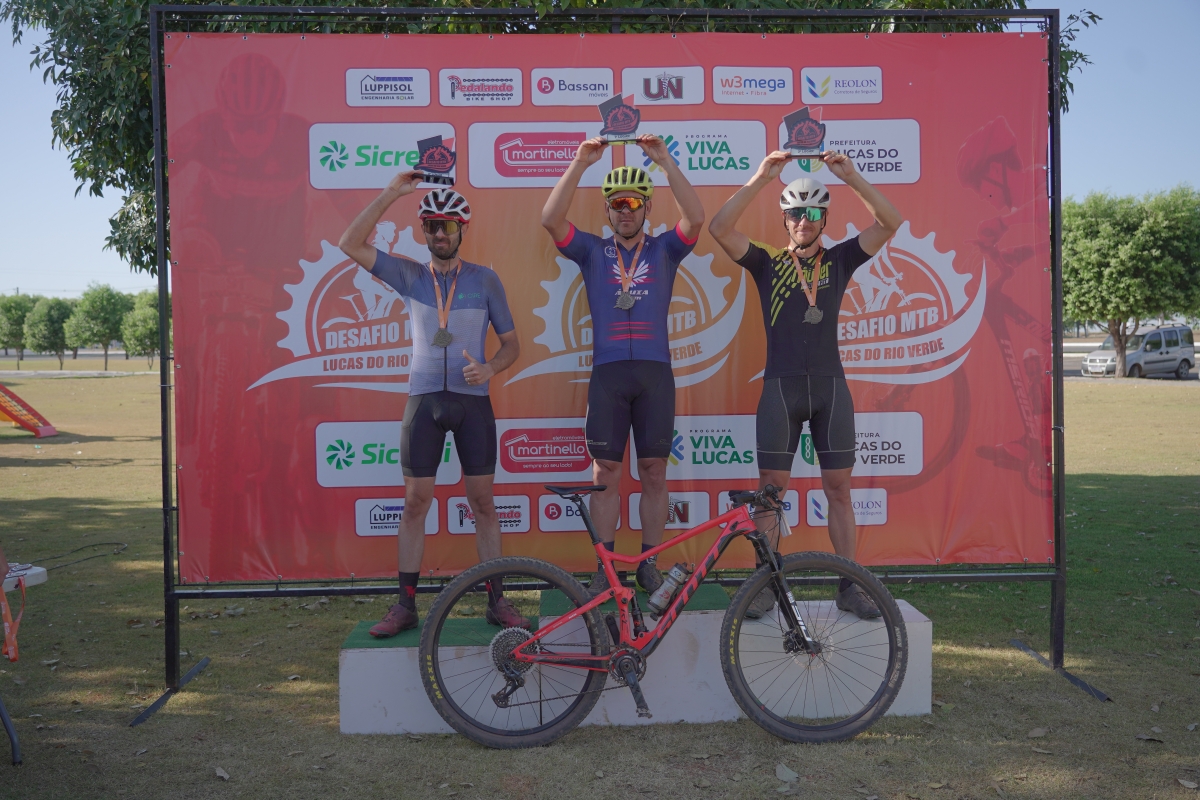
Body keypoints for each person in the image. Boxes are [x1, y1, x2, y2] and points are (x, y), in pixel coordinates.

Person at [708, 151, 902, 619]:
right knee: (769, 492)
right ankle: (767, 586)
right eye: (795, 212)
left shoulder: (840, 260)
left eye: (813, 212)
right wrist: (761, 177)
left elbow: (890, 222)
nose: (803, 220)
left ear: (824, 218)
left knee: (839, 490)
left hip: (831, 390)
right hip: (782, 388)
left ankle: (849, 586)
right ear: (784, 218)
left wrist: (851, 176)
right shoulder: (767, 262)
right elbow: (719, 228)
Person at [339, 173, 527, 636]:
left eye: (447, 226)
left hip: (472, 404)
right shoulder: (410, 276)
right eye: (431, 226)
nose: (440, 234)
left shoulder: (485, 280)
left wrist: (490, 368)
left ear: (462, 229)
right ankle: (404, 606)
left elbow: (512, 345)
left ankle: (497, 601)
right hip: (424, 401)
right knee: (414, 504)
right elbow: (350, 243)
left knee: (484, 504)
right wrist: (392, 193)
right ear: (423, 230)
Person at [541, 136, 705, 596]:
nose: (625, 210)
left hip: (655, 374)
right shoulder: (592, 251)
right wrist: (579, 162)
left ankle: (649, 564)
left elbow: (695, 218)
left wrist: (665, 160)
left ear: (648, 207)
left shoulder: (665, 250)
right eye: (617, 203)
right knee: (605, 475)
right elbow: (551, 219)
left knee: (654, 471)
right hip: (609, 375)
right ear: (607, 210)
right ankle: (606, 568)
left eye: (633, 202)